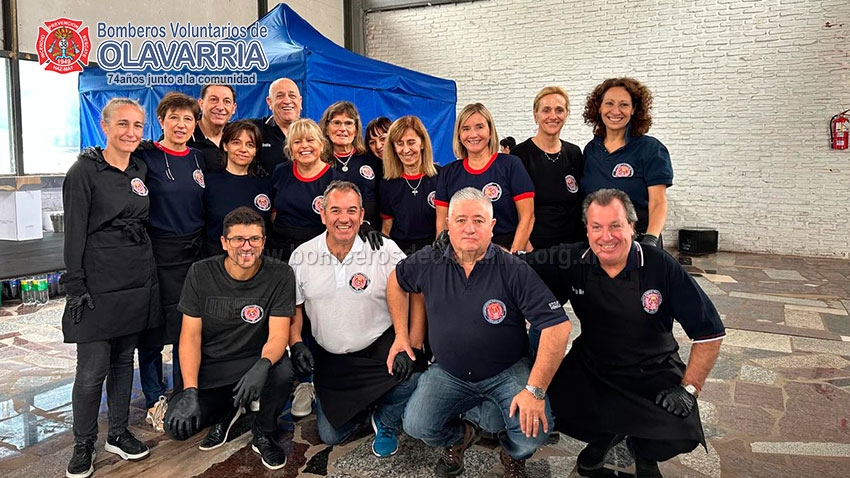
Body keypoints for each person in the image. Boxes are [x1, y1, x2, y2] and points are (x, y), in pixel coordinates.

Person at [526, 188, 725, 477]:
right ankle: (604, 436)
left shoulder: (660, 265)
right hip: (592, 368)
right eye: (597, 227)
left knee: (679, 431)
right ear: (587, 229)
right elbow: (513, 265)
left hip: (652, 369)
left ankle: (644, 452)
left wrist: (690, 388)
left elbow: (710, 332)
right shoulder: (572, 258)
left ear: (633, 226)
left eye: (615, 225)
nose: (606, 236)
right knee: (551, 409)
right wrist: (465, 249)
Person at [392, 187, 572, 478]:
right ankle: (460, 436)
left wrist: (535, 391)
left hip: (507, 370)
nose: (469, 228)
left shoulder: (513, 268)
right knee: (416, 424)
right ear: (447, 224)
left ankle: (512, 453)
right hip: (448, 372)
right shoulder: (428, 260)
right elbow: (396, 281)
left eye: (478, 220)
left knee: (532, 435)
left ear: (492, 226)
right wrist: (402, 335)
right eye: (461, 220)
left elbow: (558, 326)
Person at [287, 181, 423, 458]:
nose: (344, 218)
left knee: (414, 378)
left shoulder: (385, 249)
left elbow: (416, 292)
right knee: (330, 435)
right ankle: (367, 405)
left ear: (362, 216)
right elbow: (295, 308)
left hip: (379, 349)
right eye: (335, 210)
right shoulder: (302, 255)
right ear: (323, 214)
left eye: (351, 211)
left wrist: (411, 342)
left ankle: (385, 420)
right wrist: (296, 342)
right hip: (334, 358)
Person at [61, 98, 159, 478]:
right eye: (122, 124)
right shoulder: (83, 171)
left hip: (134, 278)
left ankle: (117, 432)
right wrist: (75, 283)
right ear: (104, 126)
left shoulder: (139, 168)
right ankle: (83, 442)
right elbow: (74, 235)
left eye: (137, 125)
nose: (131, 132)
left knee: (123, 361)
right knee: (92, 369)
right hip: (97, 281)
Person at [164, 207, 295, 471]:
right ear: (224, 242)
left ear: (263, 241)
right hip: (212, 365)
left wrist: (263, 364)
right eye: (238, 239)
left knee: (283, 372)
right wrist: (190, 390)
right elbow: (189, 336)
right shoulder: (201, 273)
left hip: (252, 361)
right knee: (176, 429)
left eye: (254, 239)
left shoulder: (280, 274)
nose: (246, 247)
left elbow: (280, 334)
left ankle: (264, 431)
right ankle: (231, 406)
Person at [135, 92, 207, 432]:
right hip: (158, 252)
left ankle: (182, 391)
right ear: (161, 120)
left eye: (188, 119)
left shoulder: (199, 159)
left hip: (193, 254)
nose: (181, 125)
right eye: (174, 118)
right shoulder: (145, 156)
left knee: (186, 328)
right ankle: (154, 395)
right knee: (151, 329)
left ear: (195, 124)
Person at [581, 77, 673, 248]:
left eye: (624, 104)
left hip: (638, 242)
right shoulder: (591, 150)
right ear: (599, 108)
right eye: (609, 103)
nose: (615, 111)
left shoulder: (650, 149)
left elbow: (658, 202)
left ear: (634, 109)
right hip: (599, 244)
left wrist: (650, 240)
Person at [434, 103, 535, 252]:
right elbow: (442, 225)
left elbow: (527, 217)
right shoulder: (448, 173)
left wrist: (512, 259)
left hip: (508, 253)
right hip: (463, 257)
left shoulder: (510, 165)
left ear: (490, 131)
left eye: (479, 127)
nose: (473, 134)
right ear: (459, 135)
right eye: (466, 129)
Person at [513, 86, 585, 248]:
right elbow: (513, 209)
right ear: (535, 115)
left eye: (559, 110)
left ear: (567, 114)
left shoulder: (574, 153)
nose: (553, 116)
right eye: (546, 110)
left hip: (573, 247)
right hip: (535, 247)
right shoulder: (520, 155)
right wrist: (526, 245)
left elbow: (580, 203)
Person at [203, 120, 272, 258]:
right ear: (225, 145)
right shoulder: (208, 183)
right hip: (215, 261)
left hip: (254, 262)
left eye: (250, 145)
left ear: (255, 151)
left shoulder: (266, 185)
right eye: (236, 142)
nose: (243, 149)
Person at [379, 115, 440, 254]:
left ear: (422, 143)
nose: (406, 150)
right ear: (393, 148)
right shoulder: (387, 184)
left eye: (411, 142)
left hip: (433, 254)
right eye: (400, 143)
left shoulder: (441, 177)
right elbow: (387, 228)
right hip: (399, 254)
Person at [318, 101, 383, 228]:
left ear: (356, 129)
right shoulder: (319, 161)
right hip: (331, 235)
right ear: (326, 128)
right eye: (336, 123)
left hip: (370, 236)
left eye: (348, 123)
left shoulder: (371, 160)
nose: (342, 129)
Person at [251, 77, 302, 175]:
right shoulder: (254, 129)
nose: (287, 100)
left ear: (300, 102)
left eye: (292, 96)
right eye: (280, 96)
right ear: (269, 102)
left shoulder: (313, 133)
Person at [188, 84, 237, 172]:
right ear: (201, 104)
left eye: (227, 101)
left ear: (233, 108)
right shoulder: (184, 136)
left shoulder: (238, 135)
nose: (220, 107)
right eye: (214, 100)